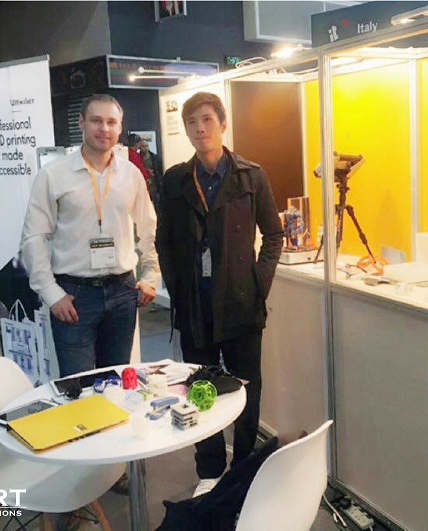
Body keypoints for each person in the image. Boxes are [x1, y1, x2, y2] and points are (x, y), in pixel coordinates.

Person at [155, 92, 282, 497]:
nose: (199, 129)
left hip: (241, 304)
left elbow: (274, 235)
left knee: (246, 390)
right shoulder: (176, 180)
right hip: (195, 306)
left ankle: (243, 471)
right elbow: (163, 241)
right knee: (199, 390)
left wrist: (258, 283)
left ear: (223, 124)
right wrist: (178, 288)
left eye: (207, 119)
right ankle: (209, 471)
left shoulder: (250, 176)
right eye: (192, 122)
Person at [20, 93, 158, 377]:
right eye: (96, 121)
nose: (104, 129)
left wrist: (150, 275)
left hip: (122, 292)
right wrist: (51, 293)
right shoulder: (54, 175)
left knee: (116, 381)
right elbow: (33, 237)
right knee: (79, 387)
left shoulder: (130, 174)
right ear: (81, 122)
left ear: (120, 127)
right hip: (74, 295)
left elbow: (149, 227)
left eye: (111, 122)